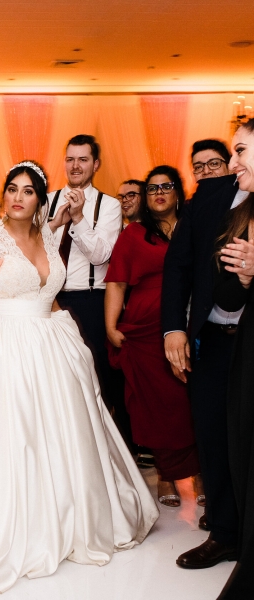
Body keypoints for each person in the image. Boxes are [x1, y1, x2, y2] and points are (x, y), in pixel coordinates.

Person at [0, 160, 158, 595]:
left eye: (28, 191)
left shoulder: (48, 237)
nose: (18, 197)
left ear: (40, 199)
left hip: (46, 344)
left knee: (57, 437)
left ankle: (63, 519)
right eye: (12, 189)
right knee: (8, 438)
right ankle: (2, 528)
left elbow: (48, 293)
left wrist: (68, 339)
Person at [162, 138, 242, 569]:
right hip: (212, 337)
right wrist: (174, 328)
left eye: (239, 153)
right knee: (212, 431)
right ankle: (225, 532)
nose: (231, 164)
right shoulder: (208, 200)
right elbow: (178, 266)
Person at [105, 165, 203, 508]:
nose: (159, 193)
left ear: (178, 191)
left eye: (166, 186)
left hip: (191, 322)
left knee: (191, 401)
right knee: (159, 406)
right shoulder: (134, 234)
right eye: (152, 188)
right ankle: (165, 473)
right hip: (146, 331)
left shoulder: (194, 227)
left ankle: (200, 471)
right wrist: (111, 326)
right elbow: (116, 282)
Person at [46, 135, 122, 410]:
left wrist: (78, 218)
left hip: (90, 302)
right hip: (49, 301)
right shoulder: (45, 201)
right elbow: (31, 249)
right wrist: (54, 225)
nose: (75, 166)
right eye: (70, 159)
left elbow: (101, 255)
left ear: (95, 164)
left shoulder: (109, 205)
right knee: (55, 377)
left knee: (95, 377)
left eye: (83, 159)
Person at [211, 120, 254, 598]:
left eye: (240, 150)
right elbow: (223, 292)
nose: (233, 161)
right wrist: (243, 279)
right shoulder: (241, 214)